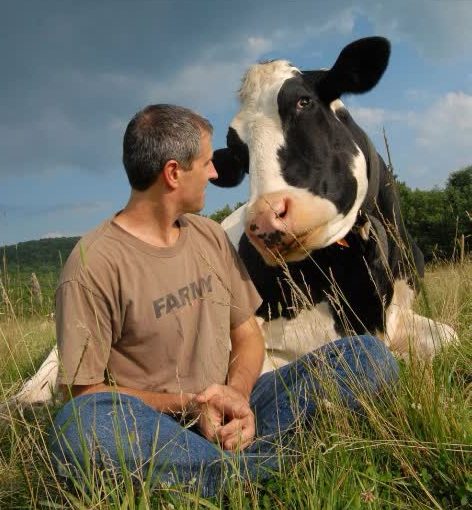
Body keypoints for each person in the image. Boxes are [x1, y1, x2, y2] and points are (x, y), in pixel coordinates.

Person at [49, 104, 399, 497]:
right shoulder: (91, 264)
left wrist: (237, 395)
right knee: (78, 426)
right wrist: (189, 405)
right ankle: (257, 470)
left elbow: (247, 332)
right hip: (155, 427)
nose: (215, 173)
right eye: (206, 163)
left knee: (369, 356)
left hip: (235, 406)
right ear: (172, 173)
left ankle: (229, 468)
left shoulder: (209, 237)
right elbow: (85, 394)